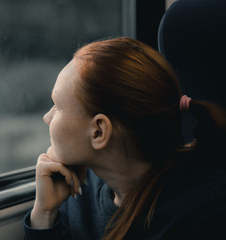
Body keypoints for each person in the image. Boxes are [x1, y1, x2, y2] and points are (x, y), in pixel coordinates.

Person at [23, 37, 226, 239]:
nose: (46, 117)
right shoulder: (78, 192)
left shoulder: (205, 212)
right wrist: (44, 213)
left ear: (98, 132)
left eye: (57, 106)